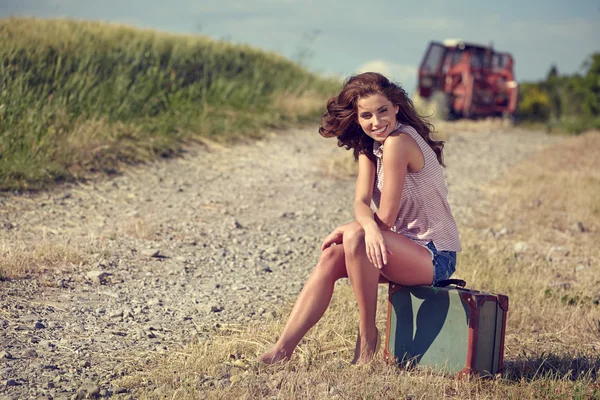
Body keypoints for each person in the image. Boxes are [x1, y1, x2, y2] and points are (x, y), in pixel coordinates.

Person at [259, 72, 461, 365]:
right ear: (356, 118)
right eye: (366, 115)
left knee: (355, 237)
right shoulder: (370, 146)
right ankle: (282, 350)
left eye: (382, 111)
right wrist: (361, 224)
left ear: (396, 107)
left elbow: (387, 217)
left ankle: (367, 335)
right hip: (398, 246)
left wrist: (355, 229)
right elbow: (360, 202)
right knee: (331, 256)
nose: (376, 122)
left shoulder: (398, 143)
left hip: (435, 255)